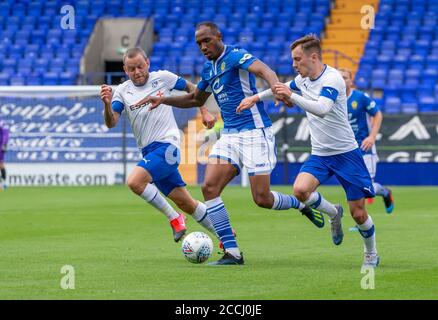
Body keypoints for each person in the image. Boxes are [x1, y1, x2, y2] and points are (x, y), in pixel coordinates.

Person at [135, 22, 325, 266]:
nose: (203, 46)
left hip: (255, 132)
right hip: (230, 134)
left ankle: (300, 204)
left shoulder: (235, 56)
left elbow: (263, 69)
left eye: (207, 41)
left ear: (218, 37)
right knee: (209, 187)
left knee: (262, 198)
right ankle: (232, 253)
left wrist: (277, 89)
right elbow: (195, 98)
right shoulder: (208, 68)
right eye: (199, 43)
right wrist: (163, 101)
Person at [238, 34, 380, 268]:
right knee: (300, 190)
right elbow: (279, 88)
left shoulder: (332, 79)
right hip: (320, 154)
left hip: (346, 154)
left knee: (359, 214)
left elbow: (322, 109)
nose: (294, 65)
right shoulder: (302, 79)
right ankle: (334, 212)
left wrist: (290, 95)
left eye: (297, 59)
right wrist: (254, 97)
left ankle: (371, 253)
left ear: (313, 57)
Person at [100, 47, 219, 243]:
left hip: (168, 145)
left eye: (140, 66)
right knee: (187, 203)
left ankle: (175, 219)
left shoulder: (163, 77)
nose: (137, 72)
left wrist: (204, 111)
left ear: (147, 63)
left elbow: (193, 88)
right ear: (125, 70)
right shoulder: (122, 91)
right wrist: (106, 103)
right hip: (149, 151)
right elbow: (111, 122)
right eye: (132, 69)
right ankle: (225, 235)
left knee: (135, 182)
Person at [338, 68, 394, 214]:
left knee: (365, 186)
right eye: (339, 78)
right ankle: (363, 219)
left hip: (364, 147)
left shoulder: (360, 97)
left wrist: (372, 137)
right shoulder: (333, 99)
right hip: (346, 150)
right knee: (354, 186)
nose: (342, 80)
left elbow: (377, 115)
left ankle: (385, 193)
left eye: (345, 77)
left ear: (351, 81)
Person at [0, 121, 9, 190]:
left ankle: (3, 183)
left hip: (0, 147)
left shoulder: (2, 123)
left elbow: (5, 135)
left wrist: (4, 144)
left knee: (1, 164)